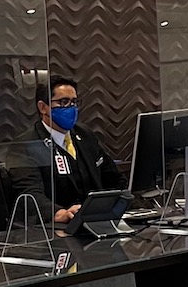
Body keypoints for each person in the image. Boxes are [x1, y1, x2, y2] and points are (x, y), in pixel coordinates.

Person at [31, 76, 125, 224]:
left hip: (96, 220)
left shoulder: (84, 134)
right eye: (63, 102)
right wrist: (58, 213)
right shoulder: (28, 144)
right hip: (58, 228)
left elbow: (113, 177)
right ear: (43, 107)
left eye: (74, 102)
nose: (71, 108)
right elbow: (30, 193)